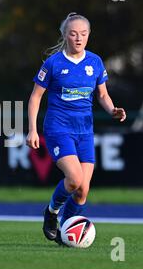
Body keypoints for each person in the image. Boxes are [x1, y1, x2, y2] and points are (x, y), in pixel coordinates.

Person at [26, 13, 126, 245]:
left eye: (83, 33)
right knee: (74, 179)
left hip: (85, 132)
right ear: (64, 35)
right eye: (73, 33)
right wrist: (32, 129)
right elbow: (35, 97)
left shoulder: (95, 62)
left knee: (82, 191)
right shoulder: (53, 63)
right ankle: (51, 213)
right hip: (58, 129)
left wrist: (112, 110)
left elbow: (102, 94)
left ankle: (64, 233)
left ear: (88, 35)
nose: (78, 38)